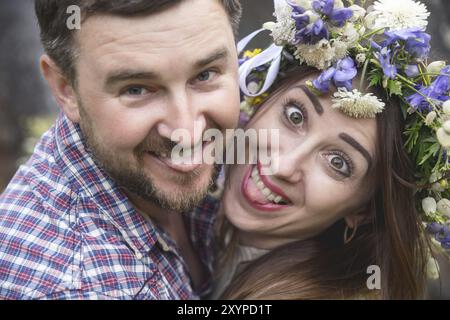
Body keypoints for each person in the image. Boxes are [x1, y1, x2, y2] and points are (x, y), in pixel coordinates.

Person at [0, 0, 242, 300]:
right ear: (66, 88)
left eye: (205, 75)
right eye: (137, 89)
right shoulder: (75, 287)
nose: (187, 132)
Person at [210, 0, 450, 299]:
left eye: (338, 162)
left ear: (363, 211)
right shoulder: (191, 211)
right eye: (295, 116)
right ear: (264, 97)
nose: (283, 166)